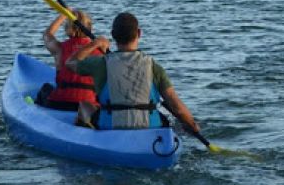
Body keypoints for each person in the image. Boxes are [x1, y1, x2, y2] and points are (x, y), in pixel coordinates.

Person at [65, 12, 200, 133]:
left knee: (85, 106)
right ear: (139, 33)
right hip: (150, 129)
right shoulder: (153, 66)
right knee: (172, 122)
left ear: (113, 35)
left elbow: (70, 63)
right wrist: (192, 125)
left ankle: (87, 136)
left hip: (110, 127)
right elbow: (176, 106)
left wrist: (94, 44)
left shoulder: (100, 63)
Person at [36, 11, 102, 111]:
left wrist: (63, 14)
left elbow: (47, 35)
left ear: (68, 28)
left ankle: (35, 113)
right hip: (87, 106)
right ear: (90, 28)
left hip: (59, 103)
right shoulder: (100, 51)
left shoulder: (59, 48)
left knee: (45, 88)